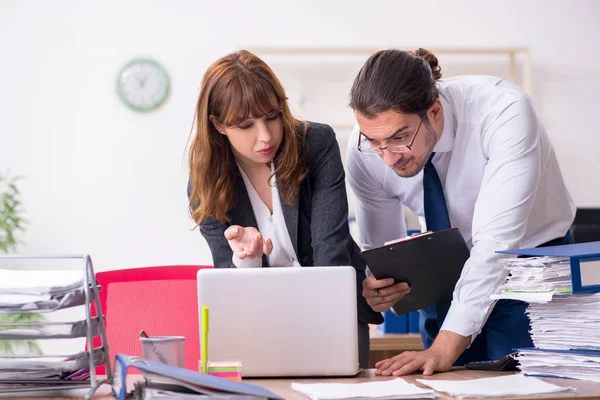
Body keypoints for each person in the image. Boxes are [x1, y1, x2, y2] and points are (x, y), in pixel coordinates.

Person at [345, 48, 576, 376]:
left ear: (435, 111)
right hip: (444, 263)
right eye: (375, 142)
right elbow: (384, 250)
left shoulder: (504, 113)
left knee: (518, 384)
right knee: (442, 383)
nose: (388, 157)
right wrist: (379, 287)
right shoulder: (367, 146)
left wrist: (443, 348)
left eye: (400, 138)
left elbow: (495, 247)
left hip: (530, 262)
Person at [187, 50, 383, 368]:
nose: (265, 136)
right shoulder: (206, 185)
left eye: (272, 116)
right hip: (262, 328)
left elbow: (330, 253)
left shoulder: (315, 144)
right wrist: (246, 261)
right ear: (218, 125)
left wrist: (323, 330)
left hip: (333, 316)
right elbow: (230, 288)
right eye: (245, 125)